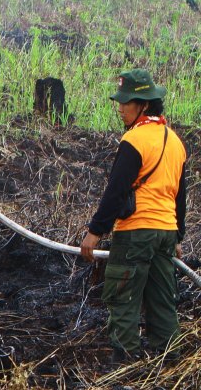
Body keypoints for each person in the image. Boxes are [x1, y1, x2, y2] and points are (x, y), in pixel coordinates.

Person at [79, 68, 187, 364]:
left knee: (123, 298)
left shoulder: (134, 141)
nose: (120, 108)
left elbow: (115, 192)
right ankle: (169, 362)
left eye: (126, 103)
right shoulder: (175, 142)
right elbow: (180, 196)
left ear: (144, 106)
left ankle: (124, 366)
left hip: (136, 233)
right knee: (163, 300)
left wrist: (95, 232)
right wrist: (178, 236)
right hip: (165, 234)